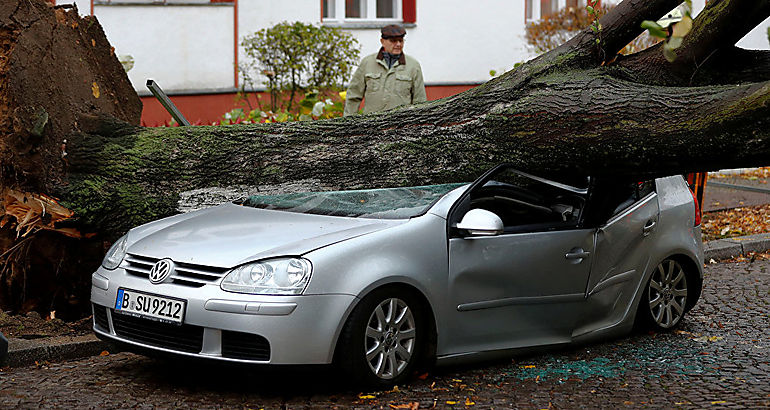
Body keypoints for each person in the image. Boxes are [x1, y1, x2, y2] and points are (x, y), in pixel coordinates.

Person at [343, 24, 427, 116]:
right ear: (382, 41)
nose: (398, 44)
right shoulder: (367, 63)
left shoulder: (413, 66)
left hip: (401, 126)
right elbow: (353, 95)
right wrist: (348, 123)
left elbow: (420, 101)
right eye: (393, 41)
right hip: (372, 125)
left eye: (401, 41)